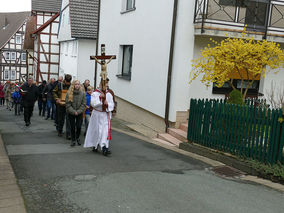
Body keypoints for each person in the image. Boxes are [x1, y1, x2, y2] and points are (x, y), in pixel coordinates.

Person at [84, 80, 114, 156]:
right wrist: (100, 99)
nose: (105, 87)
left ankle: (105, 147)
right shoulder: (95, 93)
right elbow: (93, 104)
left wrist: (107, 104)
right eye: (104, 85)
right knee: (97, 131)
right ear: (100, 84)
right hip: (97, 114)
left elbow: (112, 104)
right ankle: (95, 145)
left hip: (105, 115)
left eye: (107, 85)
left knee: (105, 131)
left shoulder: (109, 94)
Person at [65, 80, 86, 146]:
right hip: (71, 112)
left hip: (79, 112)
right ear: (73, 85)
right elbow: (68, 104)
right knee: (72, 127)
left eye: (78, 84)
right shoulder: (69, 93)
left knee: (79, 126)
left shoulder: (82, 93)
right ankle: (73, 140)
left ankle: (77, 138)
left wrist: (78, 111)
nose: (77, 85)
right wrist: (74, 111)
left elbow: (83, 104)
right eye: (76, 84)